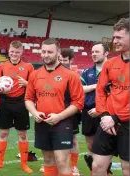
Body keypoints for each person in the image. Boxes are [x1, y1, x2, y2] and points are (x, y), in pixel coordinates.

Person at [25, 38, 85, 176]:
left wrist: (59, 116)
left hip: (63, 124)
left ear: (58, 52)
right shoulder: (35, 75)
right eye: (44, 51)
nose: (46, 55)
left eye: (50, 52)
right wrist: (35, 113)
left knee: (62, 160)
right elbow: (28, 99)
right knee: (48, 161)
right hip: (42, 123)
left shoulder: (71, 76)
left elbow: (78, 103)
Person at [92, 18, 129, 176]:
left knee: (127, 169)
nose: (115, 41)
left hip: (126, 124)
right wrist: (106, 116)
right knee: (98, 167)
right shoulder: (109, 64)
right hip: (107, 122)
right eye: (114, 37)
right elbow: (100, 91)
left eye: (119, 37)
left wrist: (116, 117)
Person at [0, 41, 34, 174]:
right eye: (12, 52)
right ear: (9, 51)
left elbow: (34, 85)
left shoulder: (28, 67)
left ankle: (24, 164)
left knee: (22, 134)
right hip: (5, 102)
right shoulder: (1, 66)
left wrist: (27, 83)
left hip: (21, 103)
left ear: (21, 52)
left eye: (17, 52)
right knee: (3, 133)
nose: (14, 54)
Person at [79, 42, 112, 175]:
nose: (93, 54)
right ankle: (95, 170)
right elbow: (80, 89)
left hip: (107, 113)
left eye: (97, 52)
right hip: (88, 112)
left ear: (106, 53)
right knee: (90, 143)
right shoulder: (87, 72)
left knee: (107, 144)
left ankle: (106, 171)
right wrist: (96, 86)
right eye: (92, 52)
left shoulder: (113, 70)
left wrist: (100, 109)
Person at [59, 48, 81, 176]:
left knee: (72, 139)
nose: (62, 62)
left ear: (71, 60)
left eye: (65, 60)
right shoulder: (54, 72)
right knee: (54, 138)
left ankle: (73, 167)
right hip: (54, 109)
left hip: (70, 110)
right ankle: (53, 163)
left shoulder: (75, 75)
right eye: (60, 60)